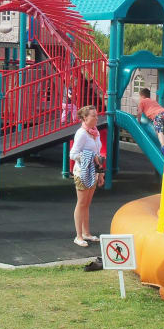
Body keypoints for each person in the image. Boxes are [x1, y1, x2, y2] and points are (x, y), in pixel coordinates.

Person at [69, 105, 103, 247]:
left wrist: (100, 174)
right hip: (82, 172)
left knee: (87, 204)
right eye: (93, 115)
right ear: (85, 118)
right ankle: (78, 236)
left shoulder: (96, 133)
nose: (96, 117)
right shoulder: (81, 133)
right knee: (81, 203)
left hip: (93, 172)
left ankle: (86, 233)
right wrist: (89, 157)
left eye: (96, 115)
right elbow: (73, 154)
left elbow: (98, 155)